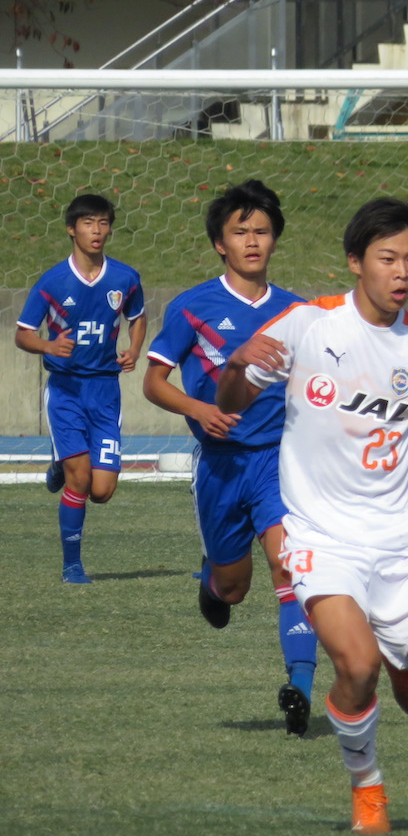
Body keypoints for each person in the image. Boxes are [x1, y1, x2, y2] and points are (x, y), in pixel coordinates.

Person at [216, 196, 408, 835]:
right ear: (355, 262)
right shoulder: (307, 326)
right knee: (355, 665)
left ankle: (406, 659)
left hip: (402, 548)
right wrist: (236, 367)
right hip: (320, 539)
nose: (401, 273)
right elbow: (230, 401)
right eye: (387, 259)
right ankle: (367, 789)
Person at [142, 180, 318, 735]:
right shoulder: (191, 307)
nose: (252, 241)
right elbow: (153, 383)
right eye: (240, 231)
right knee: (236, 586)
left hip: (278, 462)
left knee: (291, 568)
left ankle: (302, 689)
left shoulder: (299, 312)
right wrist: (200, 408)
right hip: (219, 465)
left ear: (275, 239)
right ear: (220, 242)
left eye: (261, 231)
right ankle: (213, 584)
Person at [15, 193, 146, 584]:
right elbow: (22, 335)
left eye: (104, 223)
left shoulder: (124, 277)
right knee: (80, 480)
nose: (98, 231)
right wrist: (48, 345)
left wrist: (134, 350)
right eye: (89, 223)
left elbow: (137, 317)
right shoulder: (53, 281)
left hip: (105, 390)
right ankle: (72, 564)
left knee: (102, 490)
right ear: (72, 229)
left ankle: (59, 461)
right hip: (67, 390)